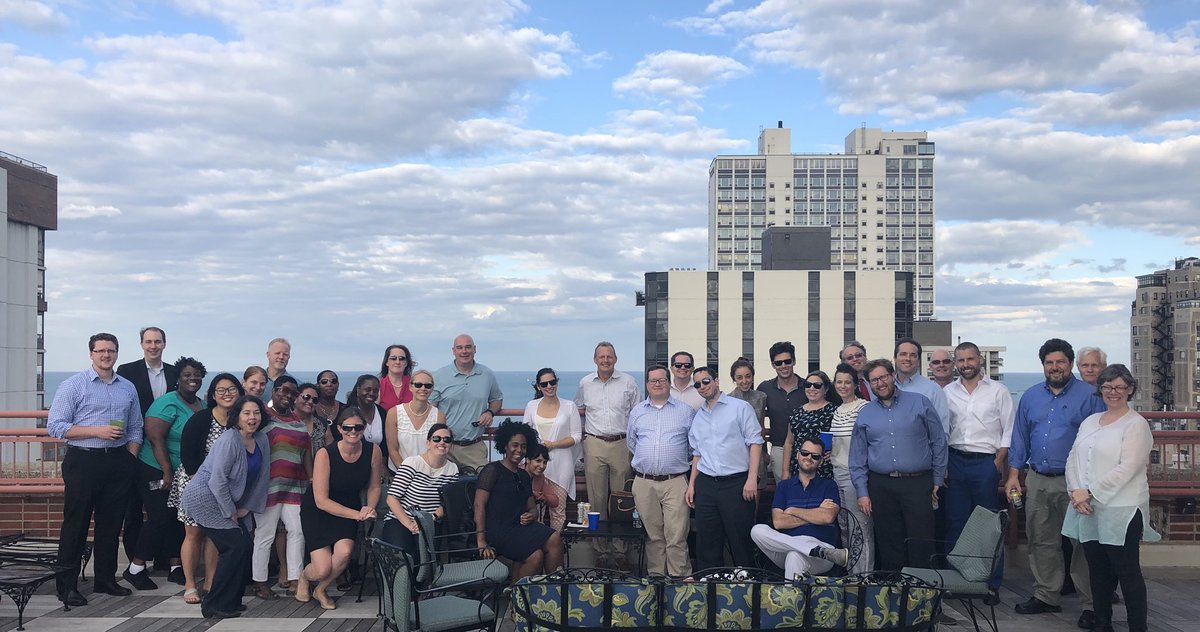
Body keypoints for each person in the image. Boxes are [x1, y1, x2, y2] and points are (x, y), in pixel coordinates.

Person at [1006, 338, 1104, 624]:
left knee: (1082, 544)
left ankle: (1090, 605)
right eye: (1049, 362)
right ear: (1043, 366)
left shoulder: (1090, 395)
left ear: (1070, 364)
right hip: (1037, 479)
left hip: (1076, 483)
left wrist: (1088, 485)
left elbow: (1098, 442)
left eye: (1060, 361)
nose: (1055, 367)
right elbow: (1020, 437)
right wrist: (1014, 474)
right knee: (1041, 540)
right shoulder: (1031, 396)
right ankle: (1047, 595)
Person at [1062, 365, 1159, 632]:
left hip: (1122, 510)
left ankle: (1137, 626)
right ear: (1100, 389)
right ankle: (1102, 623)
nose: (1113, 392)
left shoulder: (1136, 425)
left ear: (1129, 390)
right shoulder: (1090, 422)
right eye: (1107, 387)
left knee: (1127, 573)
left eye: (1119, 387)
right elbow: (1073, 458)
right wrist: (1076, 493)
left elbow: (1128, 468)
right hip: (1088, 509)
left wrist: (1089, 492)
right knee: (1097, 570)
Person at [49, 333, 143, 606]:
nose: (106, 355)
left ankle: (105, 579)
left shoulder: (127, 387)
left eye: (110, 350)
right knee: (75, 526)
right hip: (83, 460)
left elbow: (135, 425)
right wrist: (97, 431)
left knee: (111, 525)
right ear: (90, 354)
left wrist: (130, 457)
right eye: (100, 350)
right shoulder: (73, 386)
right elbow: (56, 426)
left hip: (117, 461)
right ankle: (66, 587)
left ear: (117, 353)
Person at [849, 358, 946, 571]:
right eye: (874, 380)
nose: (880, 383)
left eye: (883, 377)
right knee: (889, 540)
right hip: (881, 485)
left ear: (893, 376)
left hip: (918, 483)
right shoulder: (865, 413)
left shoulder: (919, 402)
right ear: (869, 384)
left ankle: (923, 595)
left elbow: (938, 440)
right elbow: (857, 456)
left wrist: (938, 478)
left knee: (922, 540)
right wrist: (862, 492)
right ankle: (893, 596)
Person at [180, 395, 271, 620]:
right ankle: (212, 604)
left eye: (256, 413)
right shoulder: (229, 440)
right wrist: (230, 511)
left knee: (244, 546)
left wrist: (247, 508)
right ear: (237, 417)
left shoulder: (261, 440)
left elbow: (262, 478)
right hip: (205, 498)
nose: (252, 418)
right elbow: (217, 481)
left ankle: (231, 601)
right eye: (247, 413)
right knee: (234, 547)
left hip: (232, 501)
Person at [124, 356, 207, 591]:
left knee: (176, 518)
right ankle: (135, 568)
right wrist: (167, 472)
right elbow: (155, 437)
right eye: (187, 375)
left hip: (184, 472)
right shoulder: (167, 403)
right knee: (159, 517)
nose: (193, 379)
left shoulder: (201, 405)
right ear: (178, 378)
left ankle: (175, 566)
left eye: (197, 375)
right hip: (155, 468)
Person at [296, 407, 384, 610]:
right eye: (348, 427)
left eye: (358, 427)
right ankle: (305, 577)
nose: (353, 431)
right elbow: (321, 500)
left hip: (348, 508)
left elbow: (374, 485)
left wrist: (369, 508)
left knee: (344, 553)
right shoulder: (326, 454)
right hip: (319, 511)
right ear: (339, 429)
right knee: (321, 568)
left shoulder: (374, 450)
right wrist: (358, 514)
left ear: (364, 428)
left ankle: (321, 590)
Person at [686, 366, 763, 572]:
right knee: (707, 541)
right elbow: (697, 453)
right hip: (707, 484)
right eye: (697, 384)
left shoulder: (740, 407)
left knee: (741, 539)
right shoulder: (698, 417)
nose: (702, 386)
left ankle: (746, 587)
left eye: (706, 381)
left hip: (736, 482)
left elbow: (755, 442)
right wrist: (692, 485)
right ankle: (710, 586)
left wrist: (751, 479)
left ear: (716, 381)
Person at [177, 373, 244, 604]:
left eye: (232, 389)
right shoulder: (201, 419)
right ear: (213, 395)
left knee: (217, 537)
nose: (227, 394)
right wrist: (203, 484)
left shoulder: (241, 422)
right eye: (221, 390)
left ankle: (210, 581)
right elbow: (188, 454)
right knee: (194, 534)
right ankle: (189, 584)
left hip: (224, 488)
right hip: (196, 484)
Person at [116, 326, 178, 568]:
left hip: (166, 449)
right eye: (149, 341)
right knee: (133, 507)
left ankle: (164, 559)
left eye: (158, 341)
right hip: (135, 446)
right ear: (142, 344)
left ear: (164, 344)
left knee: (166, 508)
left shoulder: (175, 372)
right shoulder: (127, 371)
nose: (153, 346)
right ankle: (135, 560)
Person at [943, 342, 1014, 554]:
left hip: (985, 463)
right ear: (956, 363)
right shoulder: (947, 392)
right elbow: (943, 429)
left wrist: (998, 462)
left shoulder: (998, 391)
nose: (966, 364)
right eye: (961, 360)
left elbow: (1009, 429)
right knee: (955, 521)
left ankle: (988, 581)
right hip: (954, 461)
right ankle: (956, 580)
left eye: (970, 359)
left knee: (987, 522)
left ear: (980, 360)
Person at [574, 343, 639, 563]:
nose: (605, 360)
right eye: (601, 356)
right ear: (595, 360)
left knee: (621, 498)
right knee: (597, 497)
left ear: (616, 358)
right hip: (594, 443)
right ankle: (600, 550)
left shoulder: (628, 382)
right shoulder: (585, 383)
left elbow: (637, 414)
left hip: (621, 443)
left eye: (609, 356)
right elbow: (578, 411)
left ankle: (620, 551)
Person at [628, 365, 695, 577]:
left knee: (676, 536)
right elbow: (632, 443)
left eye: (661, 380)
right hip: (644, 482)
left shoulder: (685, 412)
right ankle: (656, 580)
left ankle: (680, 581)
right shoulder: (637, 412)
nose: (657, 384)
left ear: (669, 383)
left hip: (675, 481)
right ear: (646, 384)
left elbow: (694, 447)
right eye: (652, 380)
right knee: (653, 536)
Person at [475, 421, 562, 583]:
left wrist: (531, 515)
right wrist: (481, 540)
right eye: (514, 445)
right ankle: (518, 600)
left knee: (554, 538)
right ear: (505, 446)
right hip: (498, 531)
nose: (519, 450)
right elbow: (479, 506)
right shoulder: (492, 470)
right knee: (535, 556)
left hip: (519, 528)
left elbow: (532, 508)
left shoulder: (523, 475)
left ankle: (554, 589)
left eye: (523, 446)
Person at [750, 437, 847, 578]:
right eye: (805, 453)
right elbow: (779, 522)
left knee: (794, 556)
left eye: (815, 456)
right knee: (757, 530)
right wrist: (815, 515)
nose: (809, 458)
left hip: (822, 554)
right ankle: (814, 550)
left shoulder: (829, 485)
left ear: (820, 462)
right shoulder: (784, 486)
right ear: (797, 455)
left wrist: (793, 511)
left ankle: (790, 599)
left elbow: (827, 517)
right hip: (785, 547)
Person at [250, 376, 310, 599]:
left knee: (298, 531)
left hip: (294, 486)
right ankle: (260, 582)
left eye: (294, 393)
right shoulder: (264, 418)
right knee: (264, 534)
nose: (288, 395)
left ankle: (296, 578)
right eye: (284, 390)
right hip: (268, 487)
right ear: (274, 391)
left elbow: (306, 455)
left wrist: (311, 481)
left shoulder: (298, 422)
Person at [381, 423, 459, 555]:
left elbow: (447, 505)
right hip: (400, 519)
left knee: (425, 559)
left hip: (430, 521)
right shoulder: (412, 463)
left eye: (447, 440)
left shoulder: (452, 469)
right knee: (402, 556)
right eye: (436, 439)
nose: (442, 442)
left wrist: (428, 520)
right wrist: (410, 525)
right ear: (428, 443)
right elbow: (392, 499)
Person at [431, 334, 503, 472]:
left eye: (468, 347)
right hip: (446, 446)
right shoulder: (439, 376)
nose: (464, 351)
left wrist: (490, 412)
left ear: (475, 349)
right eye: (460, 348)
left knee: (482, 486)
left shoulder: (486, 374)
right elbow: (430, 408)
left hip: (474, 447)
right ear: (453, 351)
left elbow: (497, 399)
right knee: (442, 488)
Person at [524, 368, 582, 532]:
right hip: (536, 467)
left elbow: (576, 436)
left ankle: (555, 546)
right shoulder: (531, 406)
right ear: (538, 387)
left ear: (557, 382)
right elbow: (525, 433)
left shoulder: (569, 406)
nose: (549, 386)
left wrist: (554, 444)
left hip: (561, 465)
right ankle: (537, 547)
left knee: (558, 511)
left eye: (552, 382)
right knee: (536, 510)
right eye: (544, 384)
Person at [828, 363, 872, 573]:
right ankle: (850, 573)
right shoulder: (837, 410)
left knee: (860, 528)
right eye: (839, 382)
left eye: (847, 382)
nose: (843, 386)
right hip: (836, 472)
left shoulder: (863, 407)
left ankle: (863, 577)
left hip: (855, 475)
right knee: (845, 526)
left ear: (855, 384)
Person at [758, 341, 805, 482]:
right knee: (784, 493)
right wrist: (763, 452)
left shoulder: (808, 386)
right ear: (773, 365)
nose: (783, 366)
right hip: (778, 449)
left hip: (806, 450)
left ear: (794, 361)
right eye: (778, 363)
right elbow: (755, 420)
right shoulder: (765, 388)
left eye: (787, 361)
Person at [385, 369, 445, 474]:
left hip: (428, 474)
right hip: (399, 473)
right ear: (410, 387)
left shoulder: (439, 416)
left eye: (428, 386)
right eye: (418, 385)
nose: (423, 388)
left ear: (432, 389)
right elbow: (392, 449)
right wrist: (406, 473)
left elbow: (439, 448)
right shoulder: (394, 413)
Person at [782, 370, 839, 480]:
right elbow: (789, 442)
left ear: (826, 389)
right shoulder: (796, 412)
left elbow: (843, 440)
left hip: (824, 467)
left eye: (817, 386)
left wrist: (835, 451)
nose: (812, 388)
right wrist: (785, 470)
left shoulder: (835, 411)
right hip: (798, 467)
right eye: (808, 385)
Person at [893, 337, 950, 434]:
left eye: (913, 355)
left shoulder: (933, 390)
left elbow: (941, 433)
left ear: (918, 361)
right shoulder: (885, 387)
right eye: (903, 354)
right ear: (895, 358)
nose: (908, 358)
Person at [729, 357, 768, 486]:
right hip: (736, 454)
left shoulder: (761, 397)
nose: (744, 381)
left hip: (757, 450)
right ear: (734, 379)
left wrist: (765, 452)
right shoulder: (728, 400)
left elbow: (761, 426)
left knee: (756, 491)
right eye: (739, 377)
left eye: (748, 376)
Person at [346, 374, 387, 446]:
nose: (371, 393)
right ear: (358, 389)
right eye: (367, 390)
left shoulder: (382, 413)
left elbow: (385, 445)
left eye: (375, 391)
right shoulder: (347, 413)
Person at [295, 382, 335, 454]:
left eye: (315, 400)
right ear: (296, 397)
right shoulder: (285, 421)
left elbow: (331, 452)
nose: (310, 402)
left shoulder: (323, 424)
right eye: (306, 397)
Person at [526, 444, 559, 526]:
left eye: (545, 462)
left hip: (532, 522)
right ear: (527, 460)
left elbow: (555, 501)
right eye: (538, 461)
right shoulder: (516, 473)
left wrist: (544, 497)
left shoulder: (540, 477)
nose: (542, 466)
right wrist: (532, 493)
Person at [378, 344, 414, 411]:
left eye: (401, 359)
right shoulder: (379, 386)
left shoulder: (415, 385)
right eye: (393, 358)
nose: (397, 362)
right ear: (387, 362)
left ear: (406, 363)